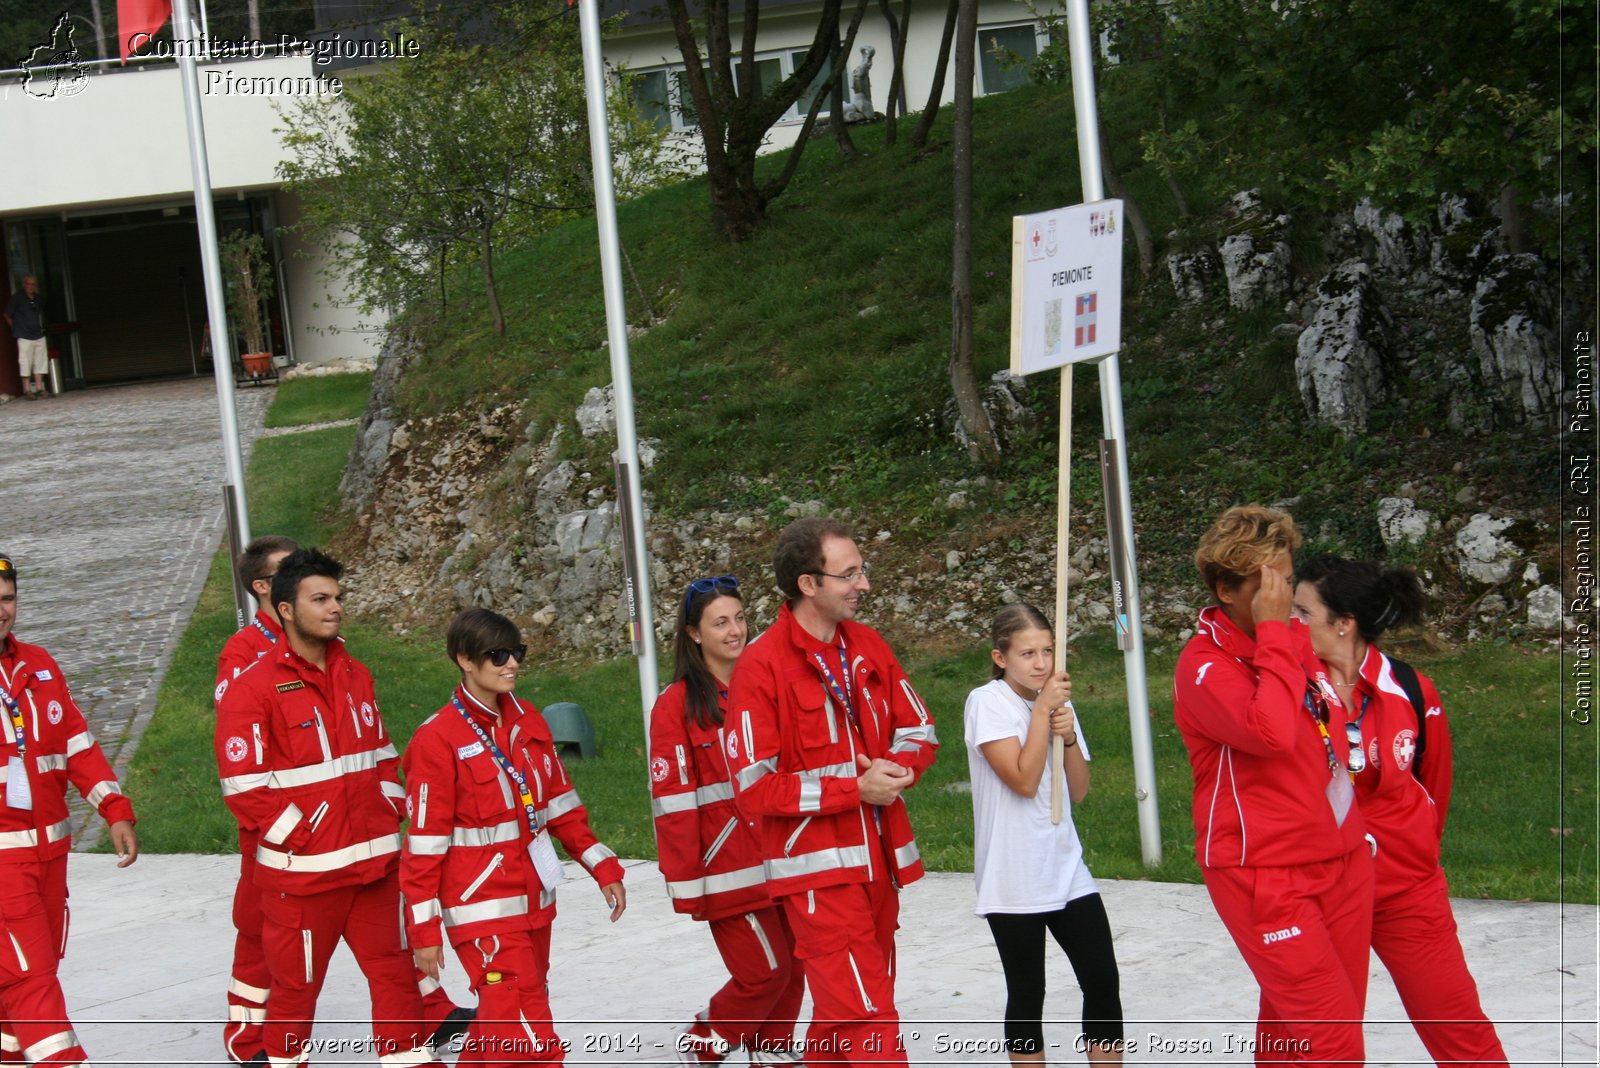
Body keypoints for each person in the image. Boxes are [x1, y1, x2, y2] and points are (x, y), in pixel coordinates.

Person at [213, 536, 471, 1063]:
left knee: (398, 981)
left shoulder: (356, 674)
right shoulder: (251, 686)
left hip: (375, 869)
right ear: (285, 609)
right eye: (319, 599)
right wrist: (301, 837)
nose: (334, 608)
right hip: (304, 878)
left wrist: (387, 811)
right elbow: (243, 786)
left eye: (336, 597)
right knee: (295, 996)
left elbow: (380, 754)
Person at [726, 517, 938, 1066]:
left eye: (861, 571)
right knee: (868, 1018)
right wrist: (854, 789)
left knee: (839, 1021)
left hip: (879, 868)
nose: (863, 585)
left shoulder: (869, 645)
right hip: (816, 878)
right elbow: (755, 787)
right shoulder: (760, 665)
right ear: (808, 584)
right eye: (849, 574)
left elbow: (919, 729)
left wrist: (898, 768)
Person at [1172, 505, 1374, 1066]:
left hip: (1340, 859)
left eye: (1286, 576)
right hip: (1263, 871)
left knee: (1294, 1031)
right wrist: (1273, 637)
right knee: (1332, 1042)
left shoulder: (1293, 637)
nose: (1282, 594)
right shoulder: (1203, 666)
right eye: (1266, 581)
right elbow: (1273, 732)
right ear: (1225, 588)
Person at [1293, 555, 1508, 1066]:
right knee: (1307, 1040)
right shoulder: (1285, 686)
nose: (1287, 623)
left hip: (1405, 890)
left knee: (1459, 1026)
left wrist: (1411, 857)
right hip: (1317, 892)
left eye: (1301, 613)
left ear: (1343, 624)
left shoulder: (1411, 689)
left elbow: (1434, 785)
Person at [400, 607, 626, 1067]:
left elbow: (560, 803)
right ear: (464, 660)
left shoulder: (529, 721)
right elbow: (423, 847)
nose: (512, 663)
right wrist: (424, 931)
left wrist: (601, 865)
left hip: (535, 907)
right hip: (481, 915)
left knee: (501, 1030)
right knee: (529, 1035)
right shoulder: (436, 740)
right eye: (497, 654)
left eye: (516, 652)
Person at [649, 576, 804, 1066]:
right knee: (765, 971)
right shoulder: (675, 705)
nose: (735, 631)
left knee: (796, 961)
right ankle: (704, 1040)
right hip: (727, 871)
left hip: (783, 856)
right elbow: (672, 803)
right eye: (721, 622)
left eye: (739, 618)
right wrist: (685, 880)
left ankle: (772, 1050)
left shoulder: (765, 685)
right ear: (694, 633)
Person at [964, 604, 1123, 1065]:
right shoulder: (986, 702)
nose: (1041, 664)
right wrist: (1041, 715)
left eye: (1048, 651)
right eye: (1027, 653)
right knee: (1028, 992)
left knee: (1102, 980)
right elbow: (1022, 780)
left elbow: (1078, 790)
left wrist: (1068, 737)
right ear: (1000, 658)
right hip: (1013, 873)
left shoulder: (1057, 704)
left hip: (1064, 864)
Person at [0, 552, 139, 1067]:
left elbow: (77, 744)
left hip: (49, 856)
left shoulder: (38, 664)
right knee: (30, 978)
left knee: (27, 975)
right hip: (3, 868)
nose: (2, 611)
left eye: (8, 599)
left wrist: (115, 809)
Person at [3, 276, 48, 400]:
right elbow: (7, 314)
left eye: (33, 284)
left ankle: (39, 389)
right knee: (25, 362)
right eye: (29, 284)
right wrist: (15, 327)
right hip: (24, 335)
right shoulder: (17, 298)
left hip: (38, 334)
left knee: (40, 362)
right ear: (24, 284)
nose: (31, 286)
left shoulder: (38, 298)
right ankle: (27, 390)